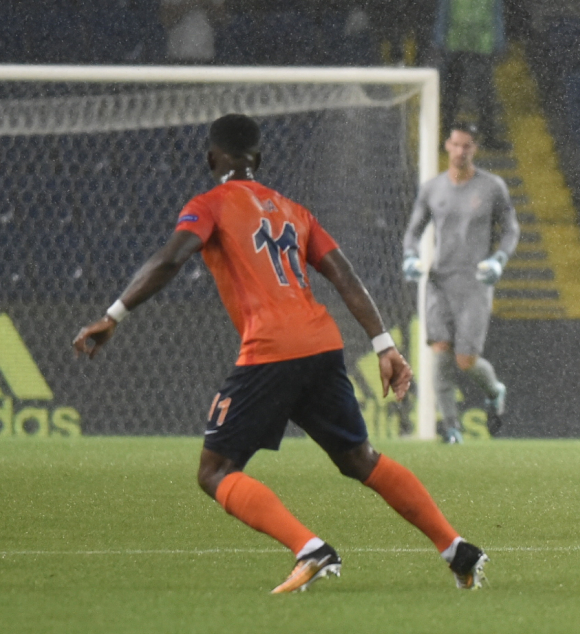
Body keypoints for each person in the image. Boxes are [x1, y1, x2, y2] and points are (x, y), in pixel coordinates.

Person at [72, 114, 488, 592]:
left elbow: (171, 257)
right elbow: (345, 276)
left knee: (214, 472)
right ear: (259, 159)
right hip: (322, 345)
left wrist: (113, 315)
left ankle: (310, 549)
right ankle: (456, 548)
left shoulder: (208, 204)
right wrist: (384, 344)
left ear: (212, 159)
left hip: (271, 349)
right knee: (359, 458)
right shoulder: (295, 211)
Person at [402, 121, 520, 443]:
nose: (460, 151)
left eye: (466, 146)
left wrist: (499, 260)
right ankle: (452, 429)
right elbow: (414, 230)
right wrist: (411, 256)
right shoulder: (432, 189)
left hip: (474, 284)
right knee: (439, 351)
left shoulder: (491, 187)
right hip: (439, 280)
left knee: (465, 360)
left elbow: (510, 229)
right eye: (455, 145)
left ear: (474, 149)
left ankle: (495, 391)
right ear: (447, 146)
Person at [433, 0, 509, 150]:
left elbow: (496, 14)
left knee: (478, 94)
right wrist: (440, 39)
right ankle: (482, 136)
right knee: (456, 94)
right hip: (465, 43)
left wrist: (499, 41)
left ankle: (486, 136)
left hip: (467, 43)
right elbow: (444, 11)